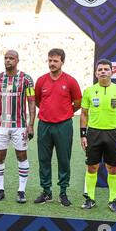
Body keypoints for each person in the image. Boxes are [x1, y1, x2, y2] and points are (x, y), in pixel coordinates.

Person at [80, 59, 116, 213]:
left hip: (114, 133)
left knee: (112, 168)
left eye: (106, 69)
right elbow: (83, 114)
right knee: (92, 167)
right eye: (100, 69)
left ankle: (113, 200)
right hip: (94, 133)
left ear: (111, 72)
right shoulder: (89, 91)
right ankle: (90, 199)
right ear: (96, 73)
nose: (103, 71)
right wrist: (83, 135)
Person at [33, 48, 82, 207]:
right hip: (44, 125)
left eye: (55, 61)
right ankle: (46, 191)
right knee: (44, 159)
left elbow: (78, 102)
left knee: (64, 159)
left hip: (64, 126)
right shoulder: (41, 80)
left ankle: (63, 192)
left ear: (62, 62)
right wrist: (48, 112)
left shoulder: (70, 81)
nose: (52, 64)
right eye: (50, 60)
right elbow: (38, 101)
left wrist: (66, 113)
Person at [0, 50, 36, 203]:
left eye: (11, 58)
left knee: (21, 156)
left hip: (20, 125)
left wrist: (31, 124)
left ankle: (21, 191)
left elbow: (31, 101)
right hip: (1, 125)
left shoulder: (26, 79)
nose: (8, 60)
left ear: (17, 60)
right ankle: (0, 189)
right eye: (6, 58)